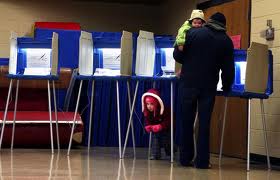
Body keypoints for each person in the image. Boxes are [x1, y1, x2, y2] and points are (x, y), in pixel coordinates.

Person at [173, 12, 235, 169]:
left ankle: (185, 158)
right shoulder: (226, 41)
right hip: (208, 86)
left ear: (209, 21)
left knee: (186, 121)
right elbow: (228, 69)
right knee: (204, 123)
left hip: (187, 83)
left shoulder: (193, 32)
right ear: (223, 26)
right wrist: (226, 86)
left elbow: (178, 56)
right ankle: (202, 162)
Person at [142, 88, 171, 160]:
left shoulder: (165, 109)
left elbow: (169, 121)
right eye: (147, 104)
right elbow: (147, 120)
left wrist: (161, 126)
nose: (149, 106)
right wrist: (148, 126)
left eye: (151, 104)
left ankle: (171, 151)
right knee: (155, 138)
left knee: (166, 141)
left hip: (165, 129)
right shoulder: (148, 112)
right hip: (155, 129)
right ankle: (156, 155)